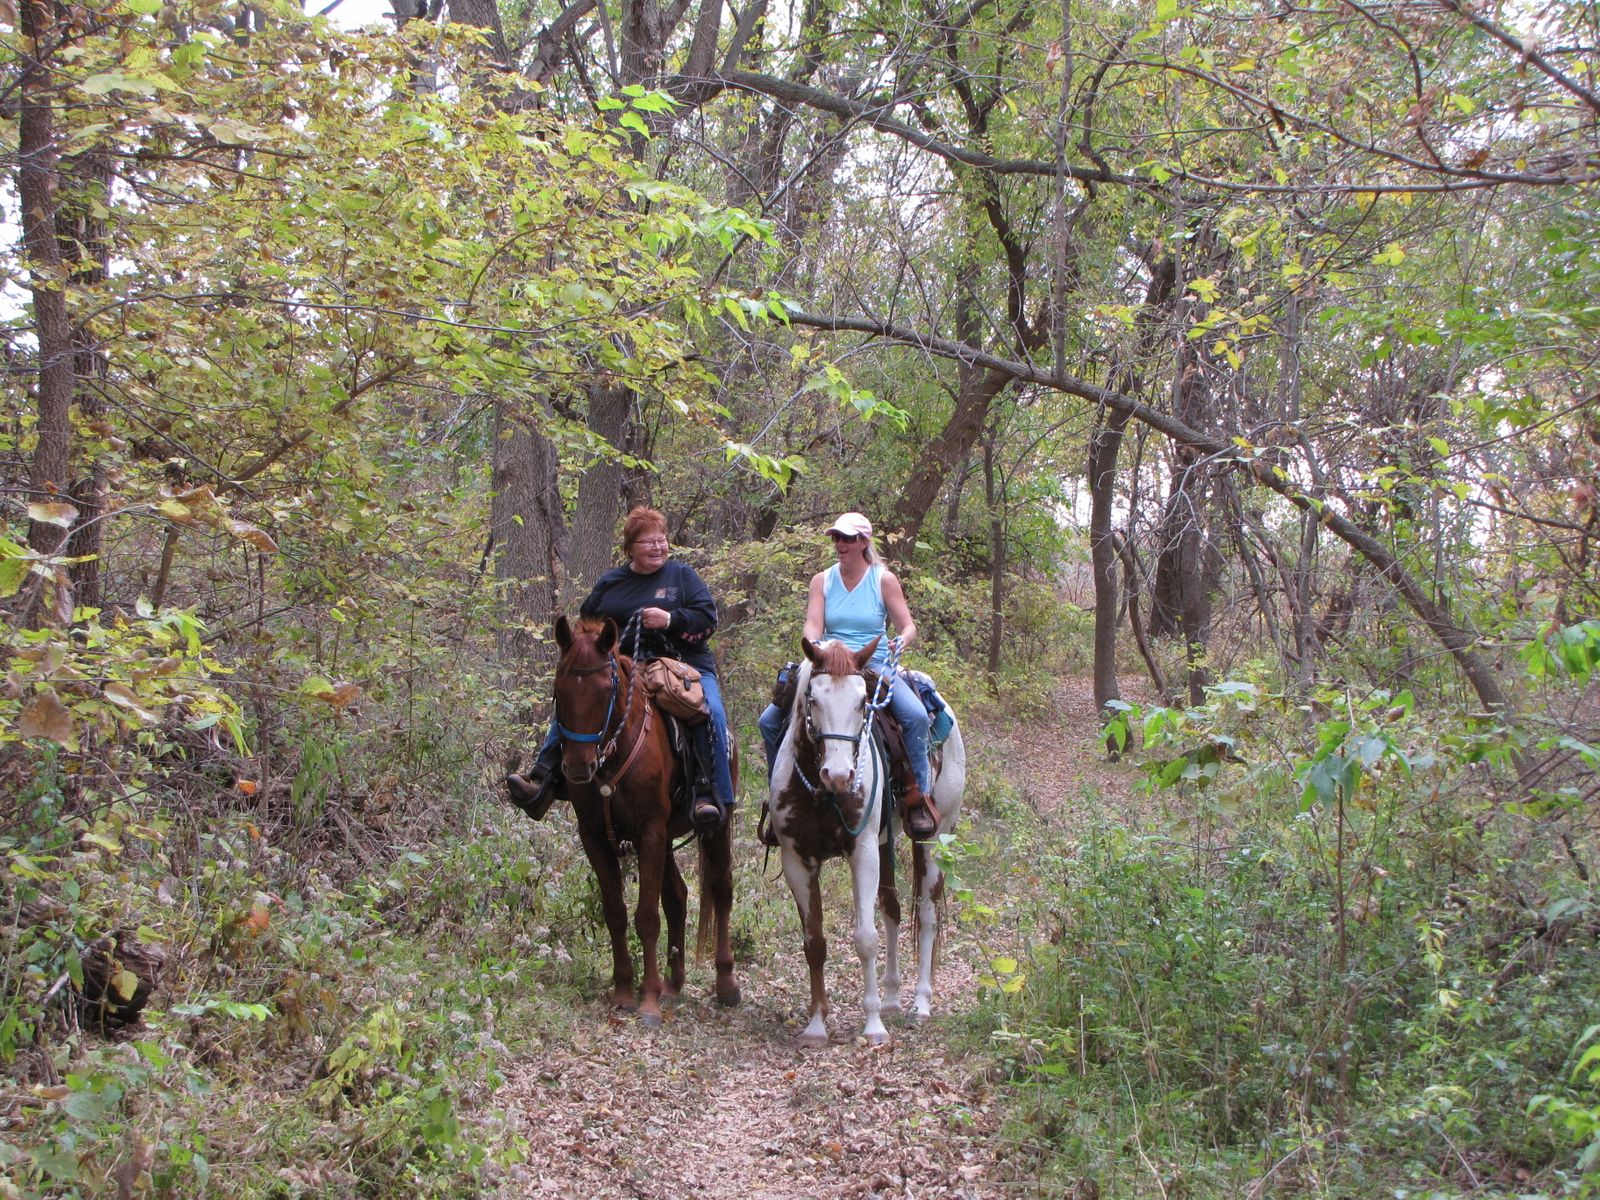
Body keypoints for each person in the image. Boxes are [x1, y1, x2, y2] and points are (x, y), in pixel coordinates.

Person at [507, 506, 735, 827]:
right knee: (579, 699)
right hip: (624, 667)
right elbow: (585, 625)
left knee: (711, 711)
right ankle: (543, 779)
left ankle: (711, 794)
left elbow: (708, 619)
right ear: (630, 548)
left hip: (683, 667)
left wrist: (668, 619)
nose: (658, 547)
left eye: (662, 540)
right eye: (648, 542)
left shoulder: (682, 576)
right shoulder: (611, 583)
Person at [757, 512, 937, 840]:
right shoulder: (822, 580)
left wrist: (903, 639)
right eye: (836, 538)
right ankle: (779, 801)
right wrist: (813, 649)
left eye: (848, 539)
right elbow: (813, 624)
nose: (840, 544)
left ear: (864, 542)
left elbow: (907, 624)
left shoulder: (883, 579)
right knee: (769, 721)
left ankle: (917, 798)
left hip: (873, 665)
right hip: (829, 663)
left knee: (915, 716)